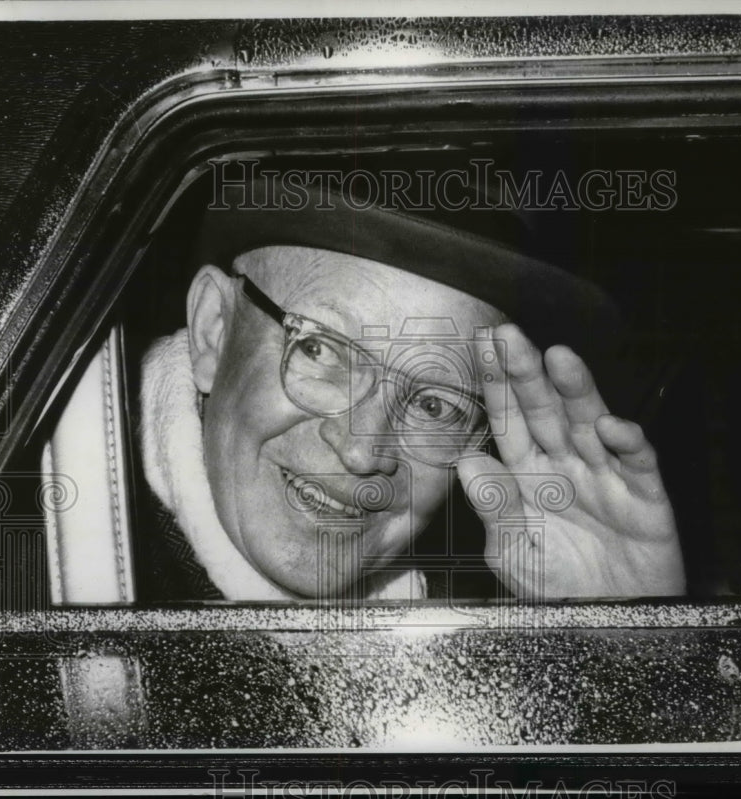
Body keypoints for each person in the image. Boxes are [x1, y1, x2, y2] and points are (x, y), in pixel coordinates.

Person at [138, 171, 685, 602]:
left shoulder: (473, 622)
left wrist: (623, 645)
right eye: (321, 349)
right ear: (214, 329)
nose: (361, 452)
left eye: (433, 404)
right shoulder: (82, 573)